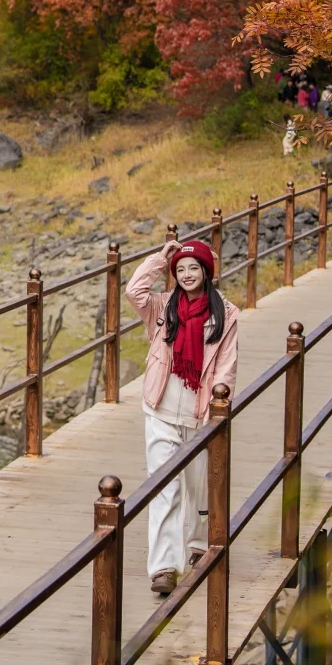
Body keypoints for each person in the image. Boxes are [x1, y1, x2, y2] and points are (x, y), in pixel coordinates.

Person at [125, 240, 239, 597]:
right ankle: (163, 567)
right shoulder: (161, 307)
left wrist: (218, 405)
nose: (187, 275)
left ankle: (198, 545)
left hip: (200, 411)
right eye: (181, 270)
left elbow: (226, 366)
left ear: (207, 272)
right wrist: (161, 258)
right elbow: (134, 290)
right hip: (159, 407)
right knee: (164, 488)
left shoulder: (226, 314)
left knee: (197, 486)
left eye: (194, 268)